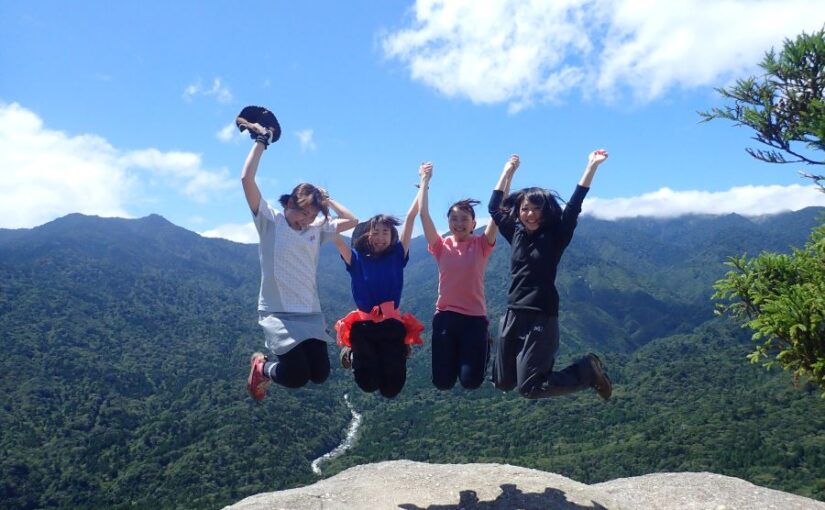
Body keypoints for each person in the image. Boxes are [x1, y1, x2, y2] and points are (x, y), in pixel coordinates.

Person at [242, 125, 358, 401]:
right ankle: (262, 366)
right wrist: (261, 141)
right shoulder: (270, 221)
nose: (304, 220)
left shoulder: (316, 231)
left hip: (309, 313)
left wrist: (326, 200)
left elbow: (353, 220)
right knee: (295, 377)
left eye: (311, 215)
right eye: (302, 212)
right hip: (278, 313)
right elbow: (247, 179)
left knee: (319, 374)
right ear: (289, 202)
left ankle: (269, 365)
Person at [488, 149, 613, 400]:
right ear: (519, 210)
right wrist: (507, 171)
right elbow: (494, 207)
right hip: (513, 311)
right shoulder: (516, 233)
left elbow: (575, 204)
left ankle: (587, 371)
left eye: (536, 209)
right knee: (502, 382)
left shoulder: (556, 235)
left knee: (530, 388)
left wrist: (591, 167)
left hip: (541, 315)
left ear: (545, 211)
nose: (530, 214)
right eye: (525, 209)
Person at [418, 159, 514, 390]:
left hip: (474, 320)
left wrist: (507, 172)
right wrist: (424, 180)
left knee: (471, 382)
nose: (459, 223)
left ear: (473, 223)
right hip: (445, 318)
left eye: (464, 219)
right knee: (442, 383)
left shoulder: (481, 244)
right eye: (454, 219)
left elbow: (499, 211)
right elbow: (423, 214)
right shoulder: (441, 246)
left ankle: (484, 345)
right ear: (448, 222)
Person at [332, 182, 425, 398]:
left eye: (386, 232)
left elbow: (411, 218)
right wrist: (327, 202)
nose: (381, 237)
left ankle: (397, 353)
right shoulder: (355, 258)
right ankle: (352, 353)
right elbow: (334, 234)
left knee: (391, 389)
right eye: (376, 232)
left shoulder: (397, 255)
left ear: (393, 236)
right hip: (363, 327)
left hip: (392, 325)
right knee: (367, 384)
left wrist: (424, 185)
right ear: (367, 235)